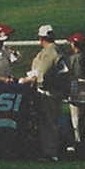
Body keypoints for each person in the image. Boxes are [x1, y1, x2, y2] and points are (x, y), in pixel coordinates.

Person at [24, 24, 72, 160]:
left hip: (48, 92)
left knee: (48, 123)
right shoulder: (59, 50)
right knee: (52, 122)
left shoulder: (49, 52)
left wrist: (32, 81)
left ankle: (50, 153)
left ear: (41, 38)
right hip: (57, 91)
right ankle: (52, 150)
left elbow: (43, 75)